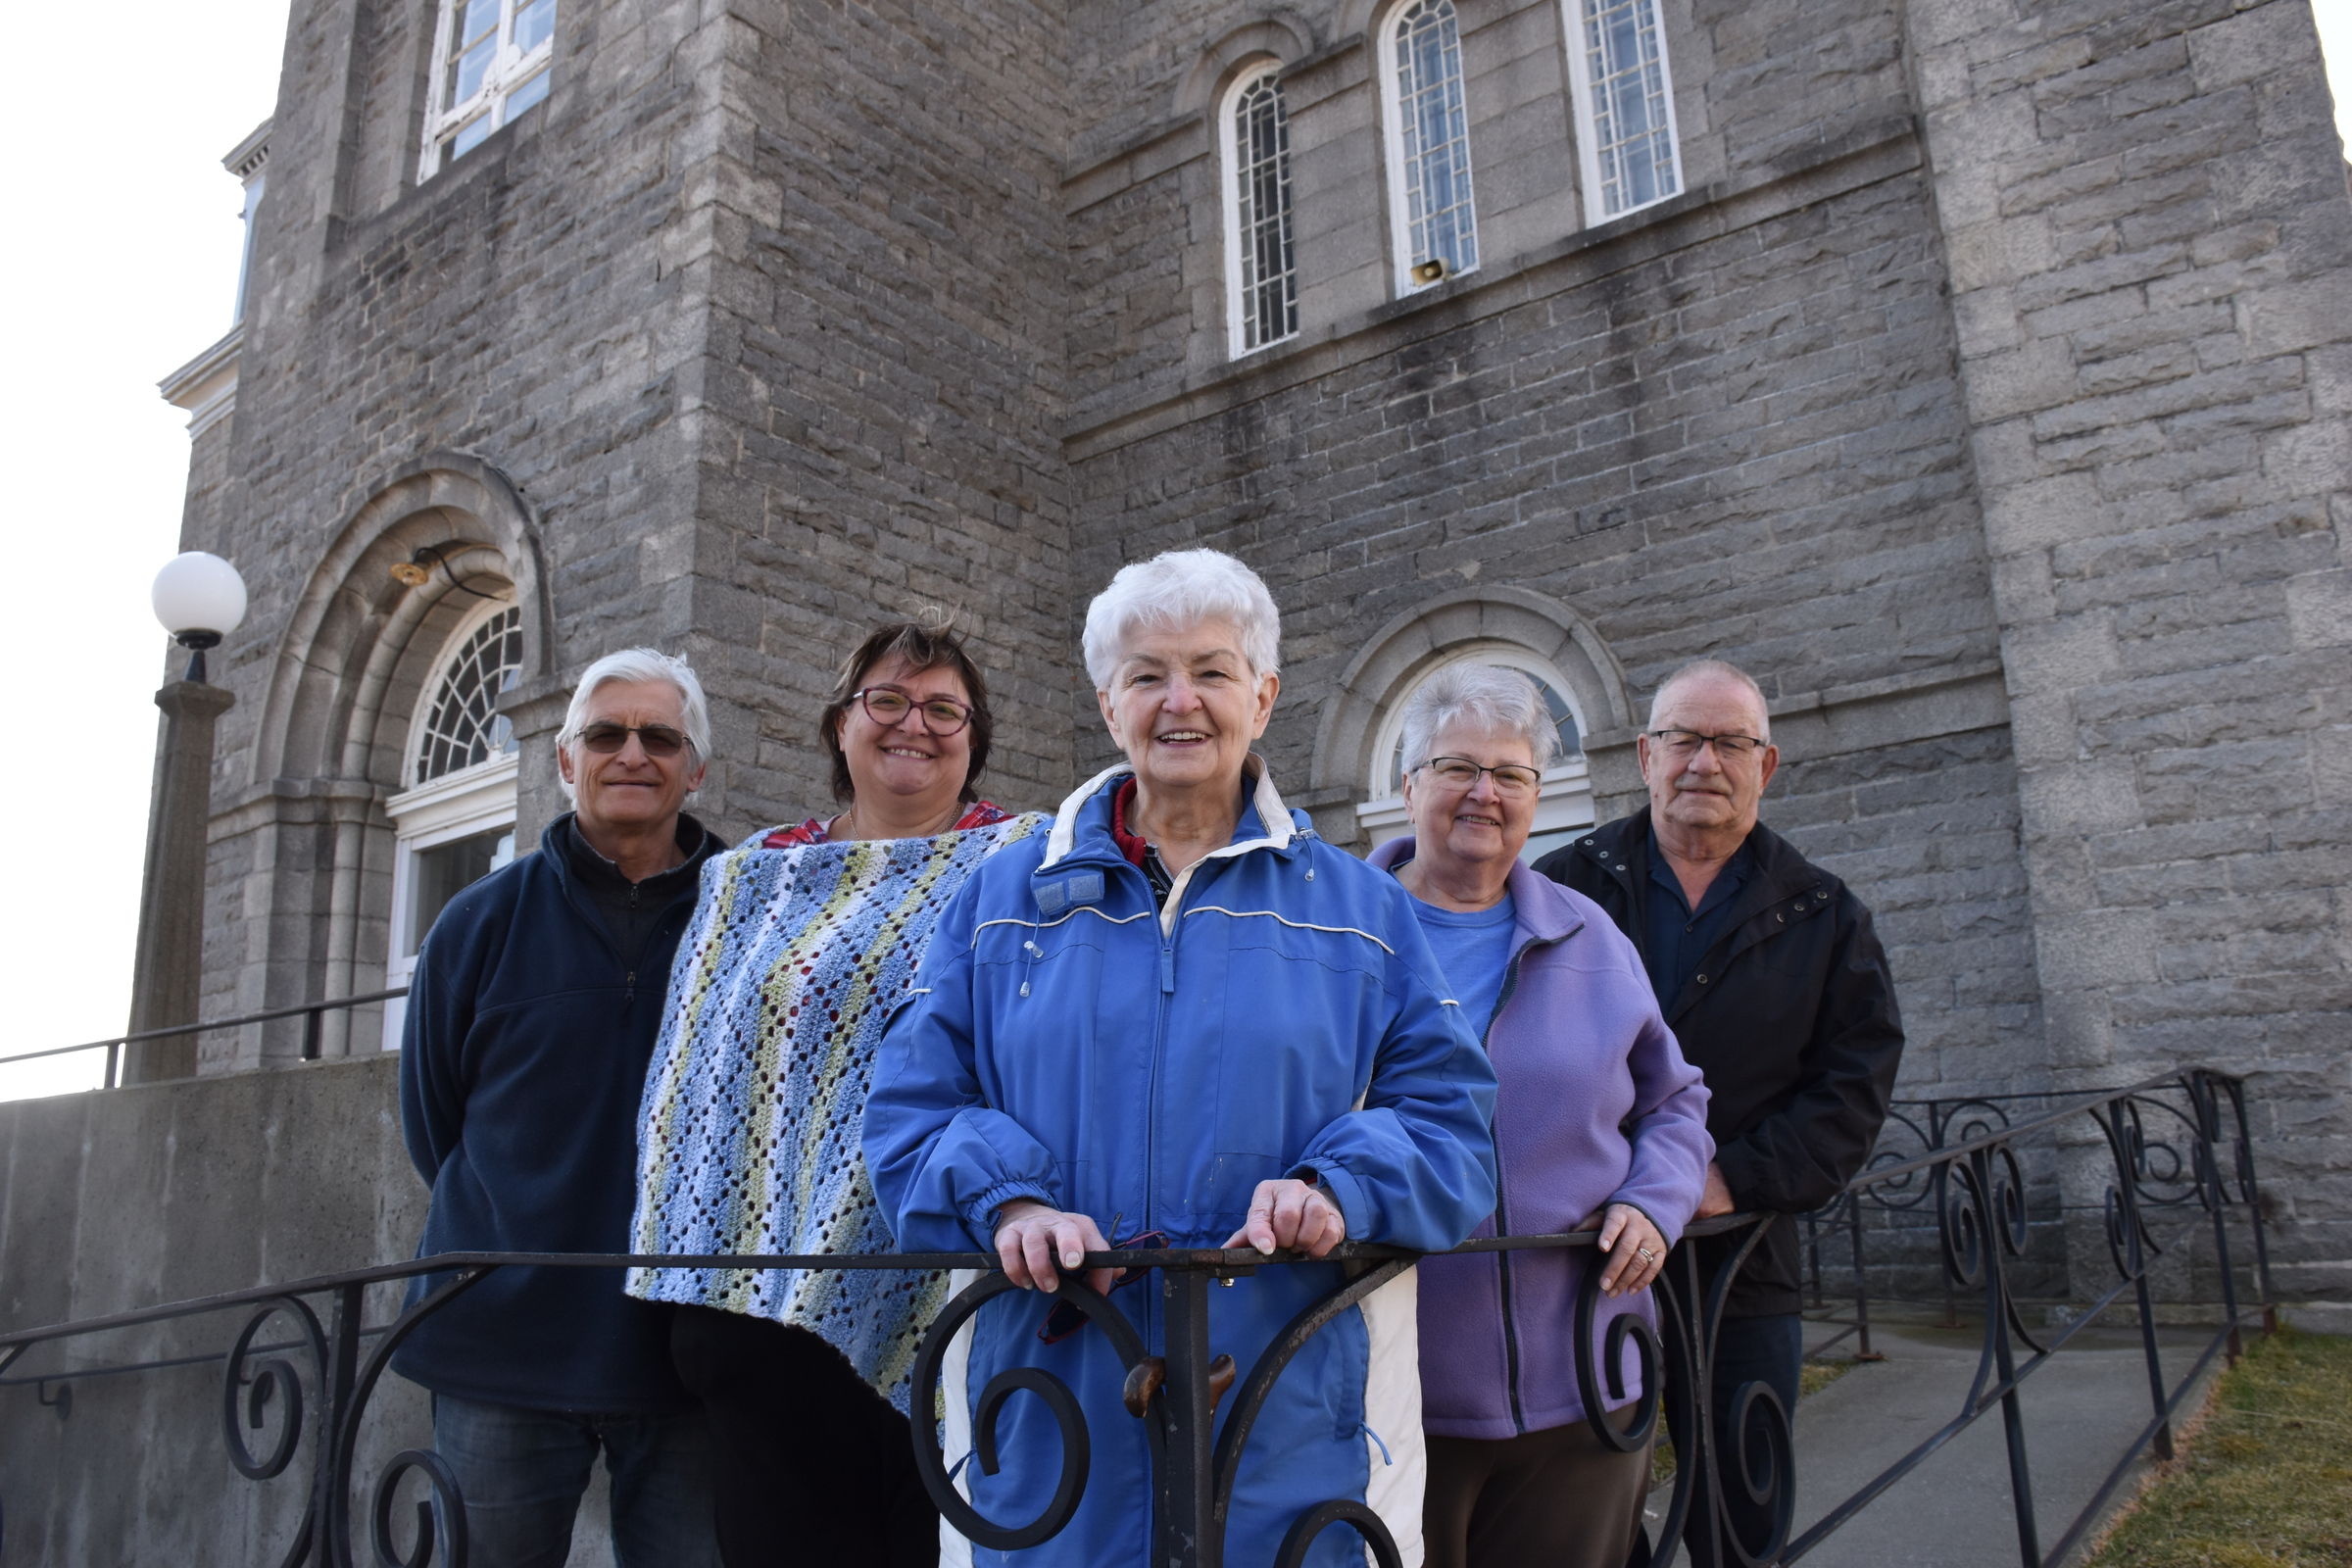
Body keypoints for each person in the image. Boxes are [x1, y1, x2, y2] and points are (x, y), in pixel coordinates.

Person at [863, 549, 1500, 1568]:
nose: (1181, 702)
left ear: (1265, 694)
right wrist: (1011, 1201)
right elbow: (909, 1109)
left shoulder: (1366, 911)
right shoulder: (998, 899)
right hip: (1051, 1406)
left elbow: (1452, 1124)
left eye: (1211, 670)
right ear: (1107, 702)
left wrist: (1336, 1188)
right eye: (1148, 674)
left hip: (1292, 1407)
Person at [628, 621, 1043, 1568]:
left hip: (961, 1291)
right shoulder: (749, 883)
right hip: (763, 1310)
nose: (915, 725)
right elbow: (689, 1090)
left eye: (946, 709)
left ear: (974, 739)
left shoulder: (1031, 865)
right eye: (887, 700)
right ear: (840, 725)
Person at [1533, 658, 1905, 1566]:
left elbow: (1855, 1081)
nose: (1705, 760)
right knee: (1585, 1511)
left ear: (1764, 764)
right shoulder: (1561, 888)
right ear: (1644, 755)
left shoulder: (1824, 912)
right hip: (1579, 1261)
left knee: (1742, 1510)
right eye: (1683, 739)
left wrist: (1728, 1176)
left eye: (1729, 742)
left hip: (1741, 1256)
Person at [1364, 663, 1712, 1568]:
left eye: (1511, 774)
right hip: (1394, 1391)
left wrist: (1656, 1200)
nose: (1485, 793)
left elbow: (1676, 1100)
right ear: (1409, 786)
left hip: (1587, 1381)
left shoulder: (1590, 933)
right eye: (1457, 767)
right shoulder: (1340, 938)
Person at [397, 648, 726, 1568]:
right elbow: (435, 1122)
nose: (633, 753)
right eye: (606, 734)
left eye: (660, 736)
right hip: (502, 1347)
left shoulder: (750, 915)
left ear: (693, 769)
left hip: (688, 1351)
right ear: (563, 759)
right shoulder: (477, 922)